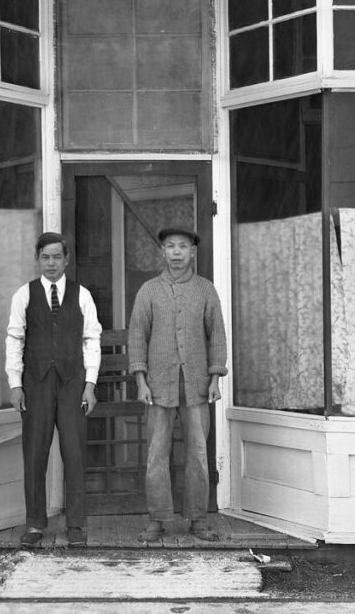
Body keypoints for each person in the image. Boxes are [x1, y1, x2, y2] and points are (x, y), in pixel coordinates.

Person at [128, 226, 228, 543]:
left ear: (192, 252)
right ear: (162, 251)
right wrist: (141, 381)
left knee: (198, 454)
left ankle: (198, 519)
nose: (176, 252)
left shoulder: (206, 290)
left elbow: (217, 336)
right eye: (170, 246)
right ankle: (157, 519)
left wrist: (215, 379)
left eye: (182, 246)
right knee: (157, 454)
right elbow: (137, 337)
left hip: (196, 388)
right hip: (158, 388)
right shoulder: (148, 291)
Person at [5, 231, 101, 548]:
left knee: (74, 453)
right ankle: (35, 524)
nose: (51, 263)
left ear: (66, 259)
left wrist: (90, 385)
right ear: (37, 259)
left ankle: (76, 524)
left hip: (73, 383)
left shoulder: (82, 295)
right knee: (35, 454)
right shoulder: (25, 295)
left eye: (57, 257)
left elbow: (91, 340)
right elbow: (14, 340)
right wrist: (16, 384)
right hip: (36, 384)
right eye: (45, 257)